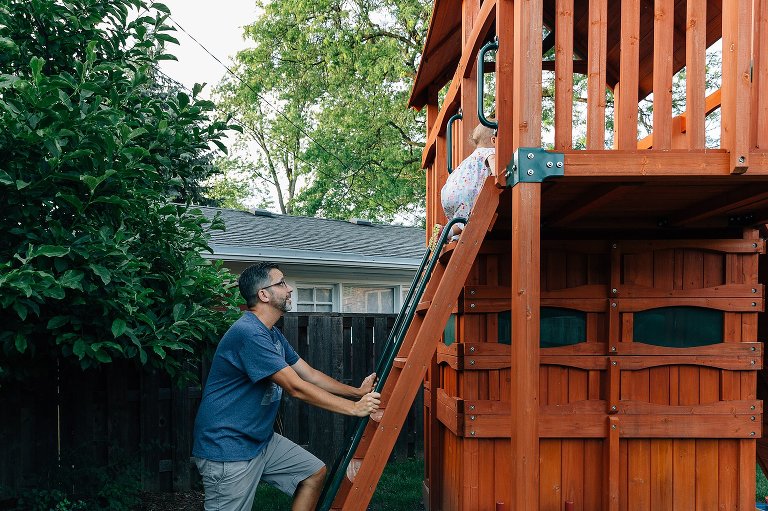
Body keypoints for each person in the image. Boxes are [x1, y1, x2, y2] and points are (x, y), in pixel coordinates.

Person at [192, 262, 381, 511]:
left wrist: (357, 392)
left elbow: (309, 375)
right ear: (264, 294)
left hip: (260, 441)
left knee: (312, 473)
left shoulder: (271, 334)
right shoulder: (248, 333)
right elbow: (296, 387)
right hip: (228, 447)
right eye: (281, 283)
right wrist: (354, 408)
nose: (289, 288)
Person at [440, 123, 497, 240]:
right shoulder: (490, 151)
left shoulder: (471, 157)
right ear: (494, 140)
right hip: (465, 195)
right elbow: (496, 168)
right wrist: (501, 176)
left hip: (448, 193)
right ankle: (446, 232)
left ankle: (453, 234)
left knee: (460, 219)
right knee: (471, 217)